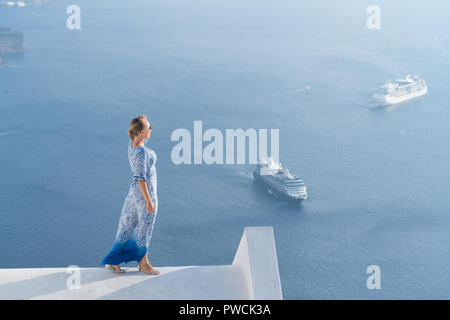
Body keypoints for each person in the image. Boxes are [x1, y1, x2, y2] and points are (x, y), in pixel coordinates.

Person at [101, 114, 159, 275]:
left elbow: (139, 141)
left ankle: (114, 262)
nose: (151, 129)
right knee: (144, 229)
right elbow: (141, 179)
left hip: (133, 194)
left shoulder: (133, 146)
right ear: (141, 132)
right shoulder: (141, 153)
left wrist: (142, 120)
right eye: (148, 127)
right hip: (144, 195)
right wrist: (149, 201)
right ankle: (144, 264)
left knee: (126, 226)